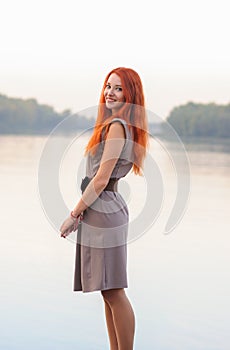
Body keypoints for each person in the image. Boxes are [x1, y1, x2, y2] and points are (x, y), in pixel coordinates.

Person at [60, 67, 149, 350]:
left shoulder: (117, 126)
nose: (110, 92)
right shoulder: (115, 124)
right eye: (108, 86)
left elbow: (101, 178)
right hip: (101, 208)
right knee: (107, 291)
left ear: (130, 94)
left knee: (114, 291)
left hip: (105, 210)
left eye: (119, 88)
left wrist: (73, 215)